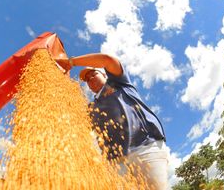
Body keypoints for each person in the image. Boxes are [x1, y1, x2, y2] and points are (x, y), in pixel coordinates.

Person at [57, 53, 169, 190]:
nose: (90, 79)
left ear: (104, 75)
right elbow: (73, 123)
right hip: (116, 164)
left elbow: (107, 60)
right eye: (87, 80)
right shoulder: (91, 109)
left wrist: (71, 62)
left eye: (93, 74)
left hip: (145, 148)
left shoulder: (120, 83)